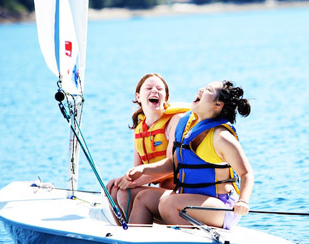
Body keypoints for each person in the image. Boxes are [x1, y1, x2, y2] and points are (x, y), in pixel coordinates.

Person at [126, 80, 253, 230]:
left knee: (169, 204)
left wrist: (243, 201)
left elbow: (246, 173)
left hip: (221, 207)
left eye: (208, 90)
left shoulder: (221, 137)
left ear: (217, 105)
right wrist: (144, 169)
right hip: (189, 200)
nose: (200, 90)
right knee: (143, 198)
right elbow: (173, 163)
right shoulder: (187, 124)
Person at [106, 73, 189, 220]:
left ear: (166, 97)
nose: (154, 91)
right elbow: (136, 170)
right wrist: (123, 180)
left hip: (180, 192)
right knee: (114, 189)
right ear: (138, 97)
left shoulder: (175, 121)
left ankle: (136, 230)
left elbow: (171, 166)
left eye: (159, 89)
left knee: (125, 193)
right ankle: (125, 231)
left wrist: (134, 181)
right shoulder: (139, 127)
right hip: (161, 193)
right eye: (149, 88)